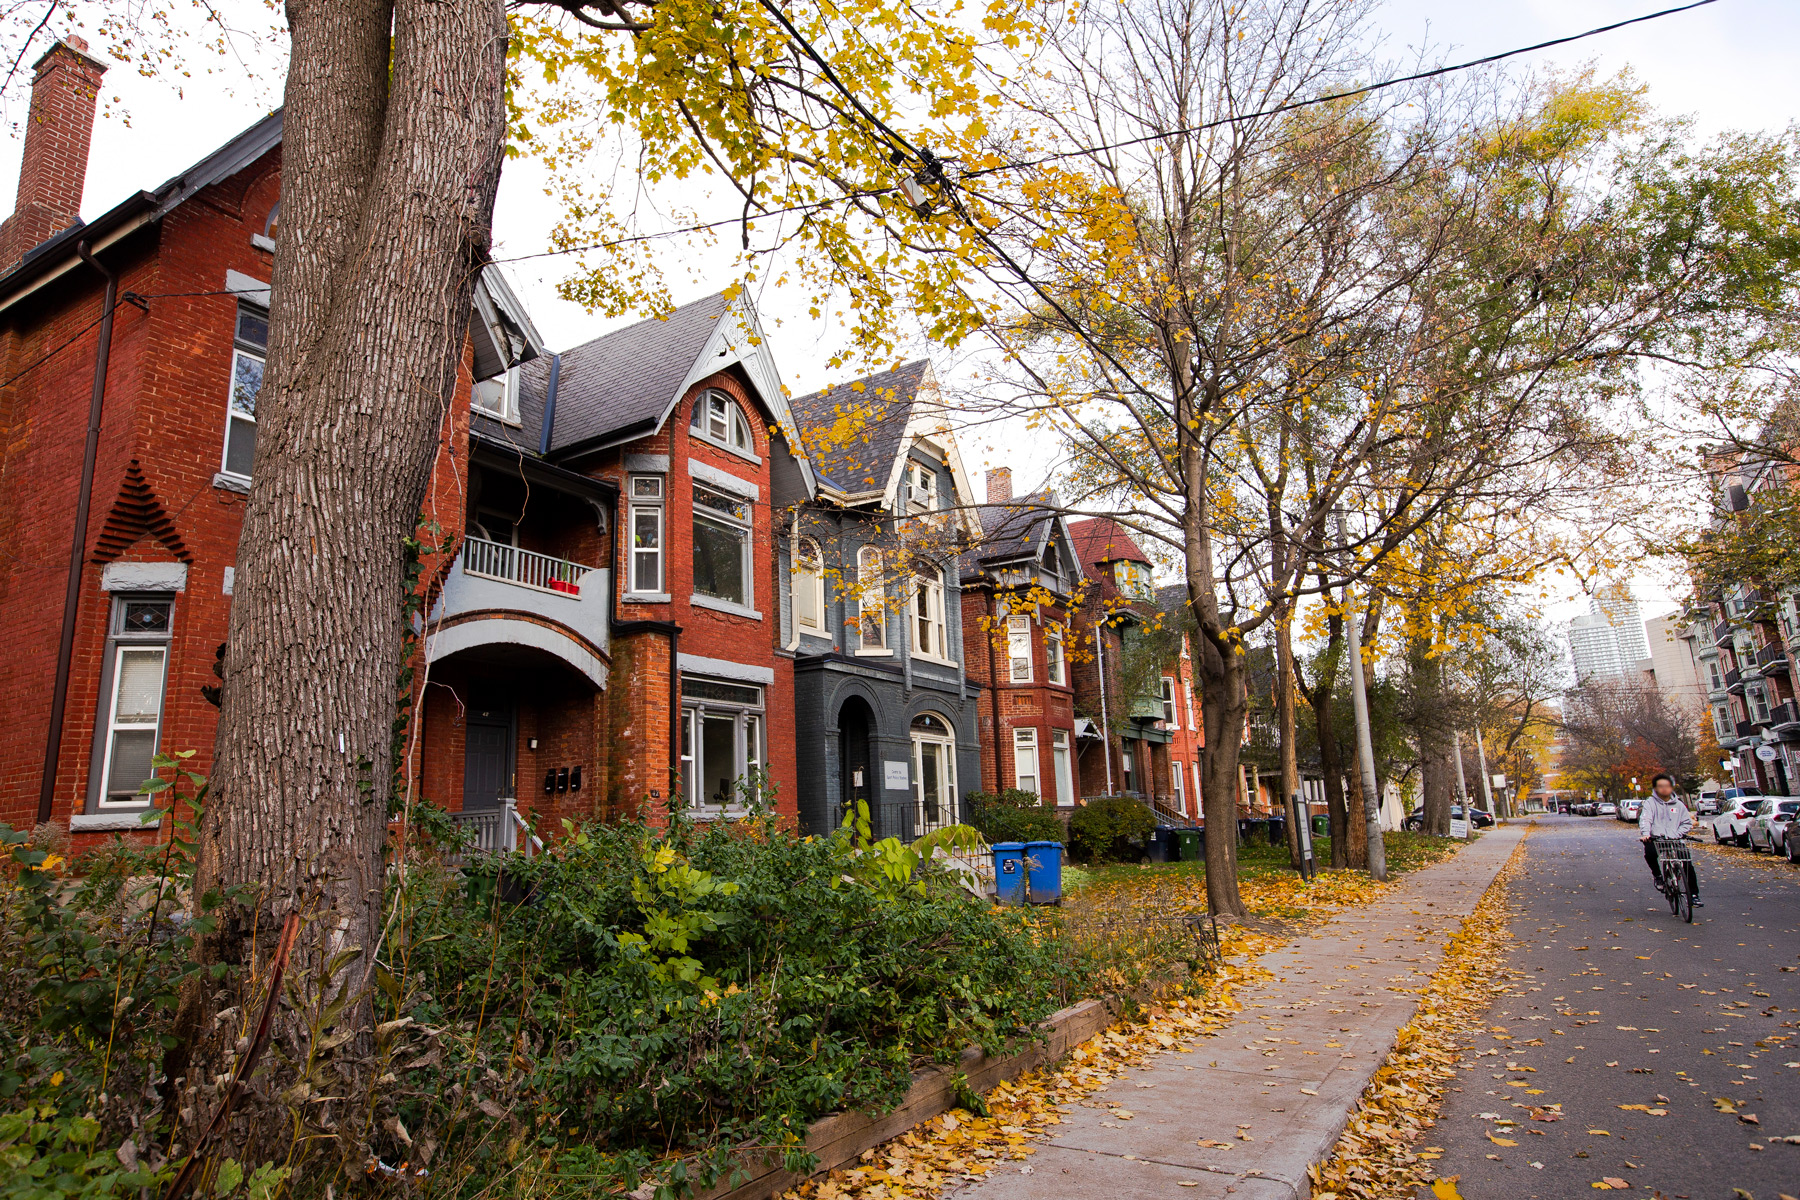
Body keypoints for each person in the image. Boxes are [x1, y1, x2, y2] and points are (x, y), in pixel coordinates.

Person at [1639, 772, 1696, 896]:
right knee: (1650, 853)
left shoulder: (1679, 805)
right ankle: (1658, 876)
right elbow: (1646, 819)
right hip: (1657, 838)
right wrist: (1646, 834)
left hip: (1675, 839)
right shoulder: (1650, 803)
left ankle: (1694, 895)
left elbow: (1686, 822)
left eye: (1667, 785)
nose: (1664, 788)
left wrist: (1678, 834)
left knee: (1687, 862)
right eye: (1660, 786)